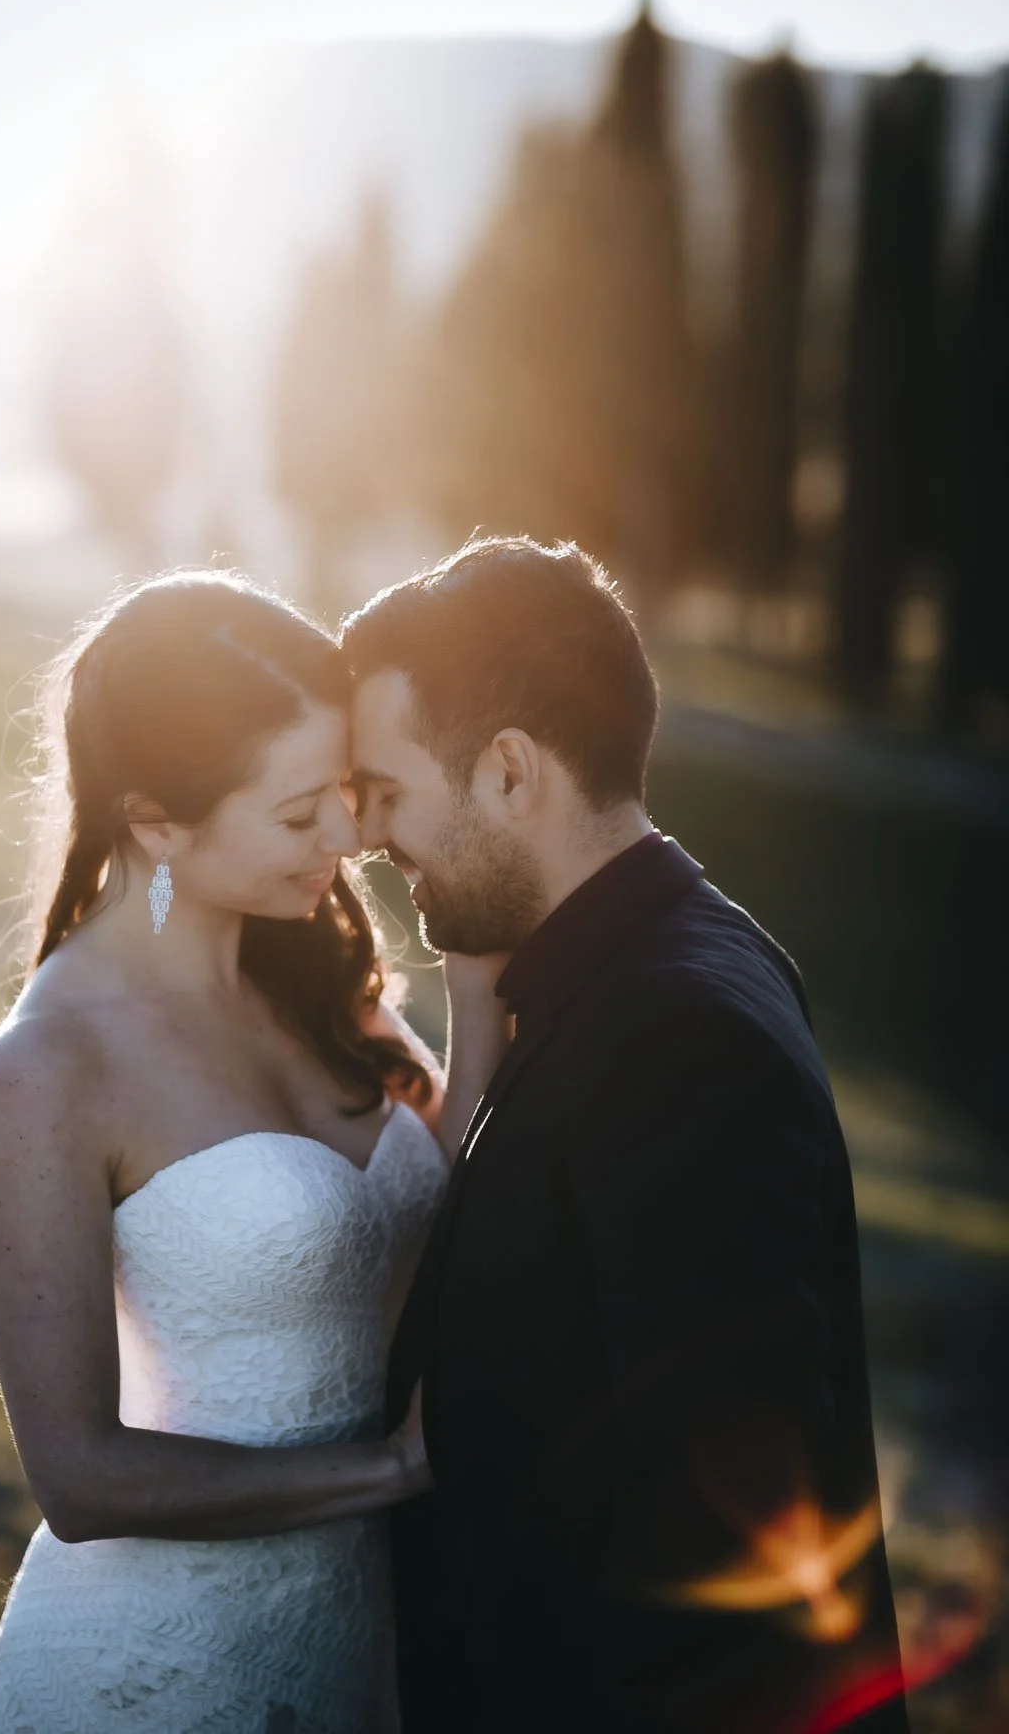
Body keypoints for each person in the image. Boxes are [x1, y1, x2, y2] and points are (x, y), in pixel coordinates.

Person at [342, 534, 910, 1734]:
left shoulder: (674, 1037)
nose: (371, 838)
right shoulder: (658, 960)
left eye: (391, 790)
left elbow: (731, 1553)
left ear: (508, 772)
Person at [0, 570, 466, 1733]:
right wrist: (395, 1467)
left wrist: (482, 962)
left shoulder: (314, 976)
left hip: (354, 1645)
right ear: (155, 822)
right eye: (302, 815)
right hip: (155, 1671)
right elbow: (79, 1477)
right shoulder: (48, 1070)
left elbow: (458, 1169)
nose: (349, 834)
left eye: (344, 789)